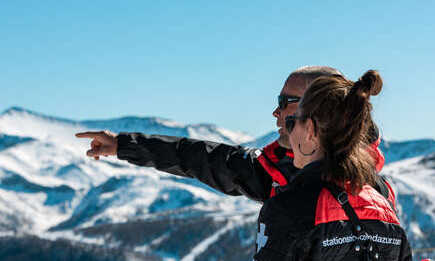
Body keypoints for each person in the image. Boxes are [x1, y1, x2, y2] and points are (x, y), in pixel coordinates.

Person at [239, 70, 412, 261]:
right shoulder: (384, 205)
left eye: (292, 123)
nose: (289, 133)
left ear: (309, 130)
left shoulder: (288, 208)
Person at [75, 66, 358, 203]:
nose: (275, 112)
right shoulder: (278, 171)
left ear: (317, 108)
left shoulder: (359, 190)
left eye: (285, 102)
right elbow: (200, 158)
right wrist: (125, 146)